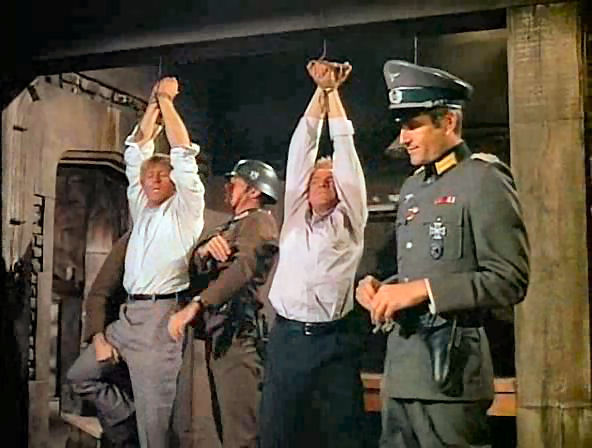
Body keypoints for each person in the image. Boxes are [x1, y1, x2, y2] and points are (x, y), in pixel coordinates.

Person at [356, 60, 530, 447]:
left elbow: (510, 279)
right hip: (401, 374)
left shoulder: (483, 179)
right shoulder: (413, 187)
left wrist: (421, 290)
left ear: (448, 121)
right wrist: (384, 289)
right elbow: (424, 269)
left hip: (450, 375)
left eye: (413, 125)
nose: (403, 138)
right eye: (402, 126)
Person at [68, 77, 206, 448]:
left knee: (154, 432)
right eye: (149, 176)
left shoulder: (185, 211)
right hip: (128, 318)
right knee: (80, 376)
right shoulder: (142, 208)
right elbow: (136, 151)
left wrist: (167, 101)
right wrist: (151, 108)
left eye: (162, 175)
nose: (154, 179)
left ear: (174, 182)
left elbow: (182, 153)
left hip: (159, 322)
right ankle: (126, 415)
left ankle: (140, 423)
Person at [258, 60, 368, 448]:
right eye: (318, 179)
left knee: (341, 437)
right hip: (288, 339)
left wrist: (333, 94)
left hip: (333, 343)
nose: (324, 183)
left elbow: (345, 152)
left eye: (332, 180)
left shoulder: (350, 221)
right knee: (278, 434)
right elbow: (301, 148)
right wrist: (319, 91)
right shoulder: (293, 217)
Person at [168, 159, 280, 448]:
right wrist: (204, 251)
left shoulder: (259, 221)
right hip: (220, 334)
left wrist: (197, 304)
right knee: (225, 425)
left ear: (253, 191)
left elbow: (242, 269)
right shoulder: (233, 225)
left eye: (236, 184)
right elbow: (193, 267)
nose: (228, 188)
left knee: (240, 431)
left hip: (238, 333)